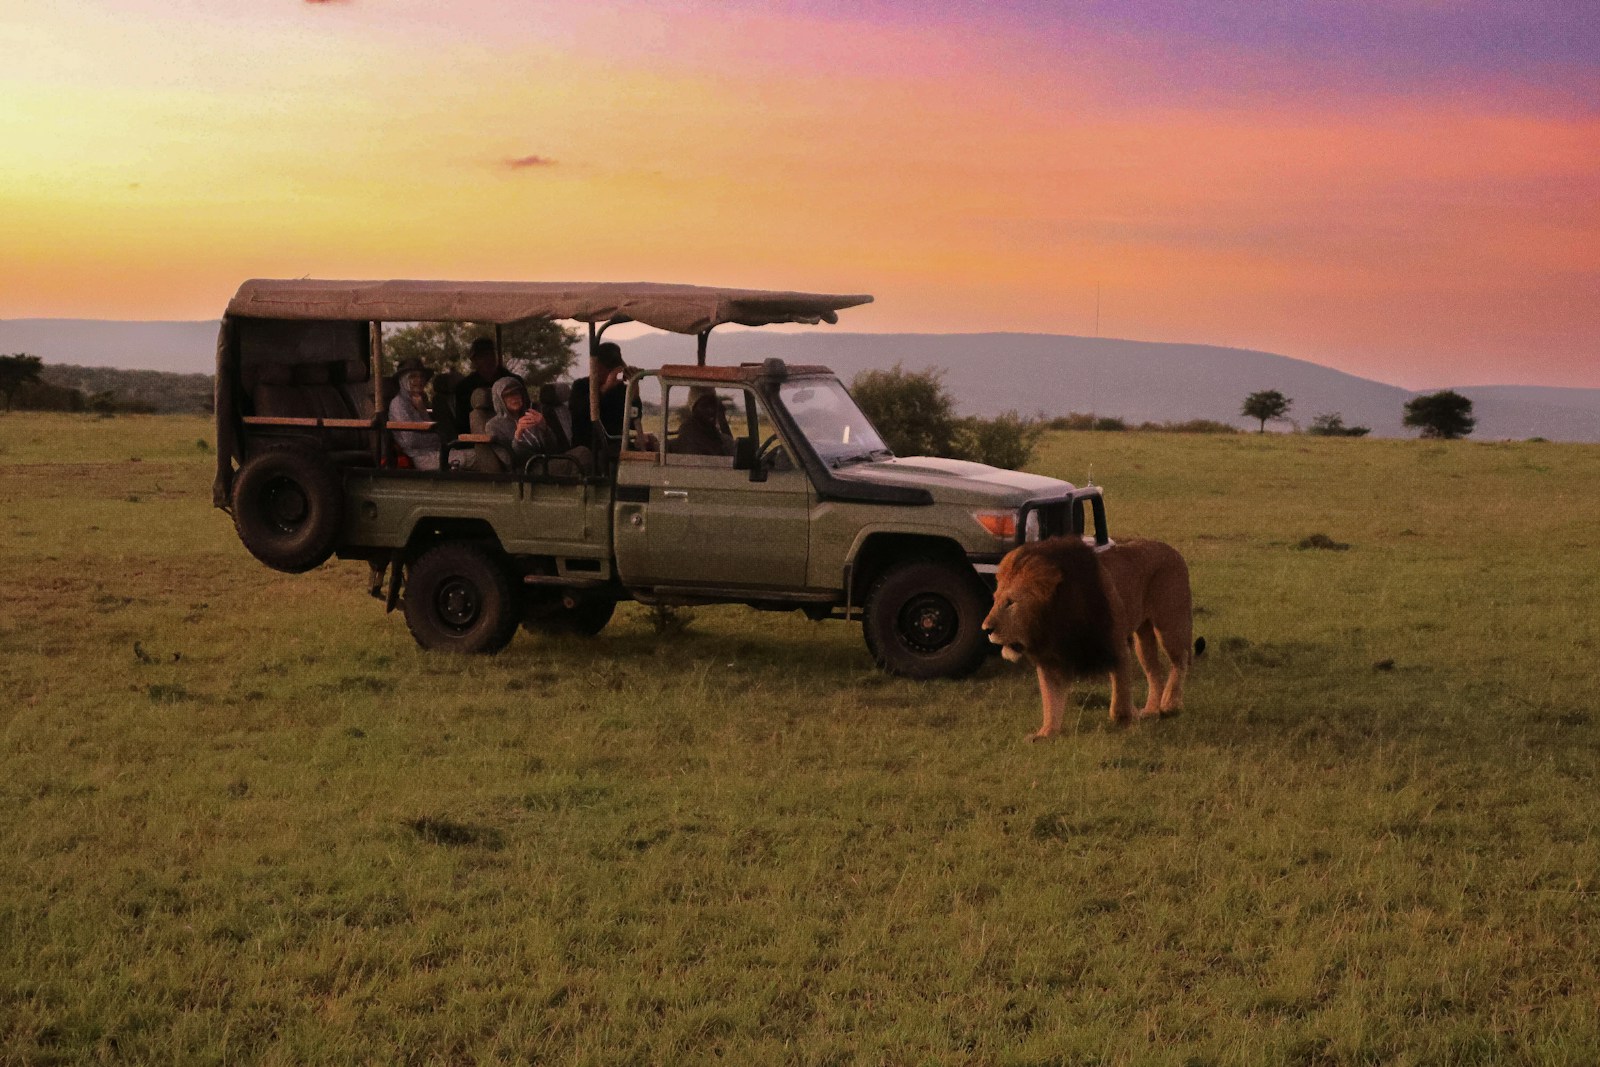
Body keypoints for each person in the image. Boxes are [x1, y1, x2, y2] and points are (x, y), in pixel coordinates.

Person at [484, 376, 559, 468]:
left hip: (549, 463)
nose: (515, 397)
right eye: (508, 395)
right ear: (499, 400)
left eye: (517, 392)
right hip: (529, 470)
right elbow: (510, 461)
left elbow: (554, 449)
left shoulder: (531, 415)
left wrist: (544, 428)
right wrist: (518, 436)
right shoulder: (493, 426)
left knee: (581, 451)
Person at [569, 341, 631, 446]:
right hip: (590, 445)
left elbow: (632, 419)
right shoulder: (581, 386)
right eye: (607, 368)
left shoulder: (619, 390)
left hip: (615, 442)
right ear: (596, 366)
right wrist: (604, 389)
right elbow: (579, 413)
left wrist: (634, 387)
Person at [452, 337, 517, 437]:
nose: (488, 360)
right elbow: (462, 424)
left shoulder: (512, 382)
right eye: (482, 356)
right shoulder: (465, 387)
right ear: (474, 361)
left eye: (490, 354)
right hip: (477, 440)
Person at [388, 358, 441, 470]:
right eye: (413, 376)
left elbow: (433, 429)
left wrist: (422, 411)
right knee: (474, 457)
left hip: (434, 452)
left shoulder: (417, 401)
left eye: (422, 376)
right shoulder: (398, 404)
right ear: (402, 380)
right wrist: (435, 439)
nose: (419, 380)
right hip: (421, 458)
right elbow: (411, 441)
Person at [670, 387, 736, 457]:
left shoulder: (719, 437)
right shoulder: (689, 437)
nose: (711, 410)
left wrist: (721, 418)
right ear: (694, 410)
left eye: (713, 404)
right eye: (704, 406)